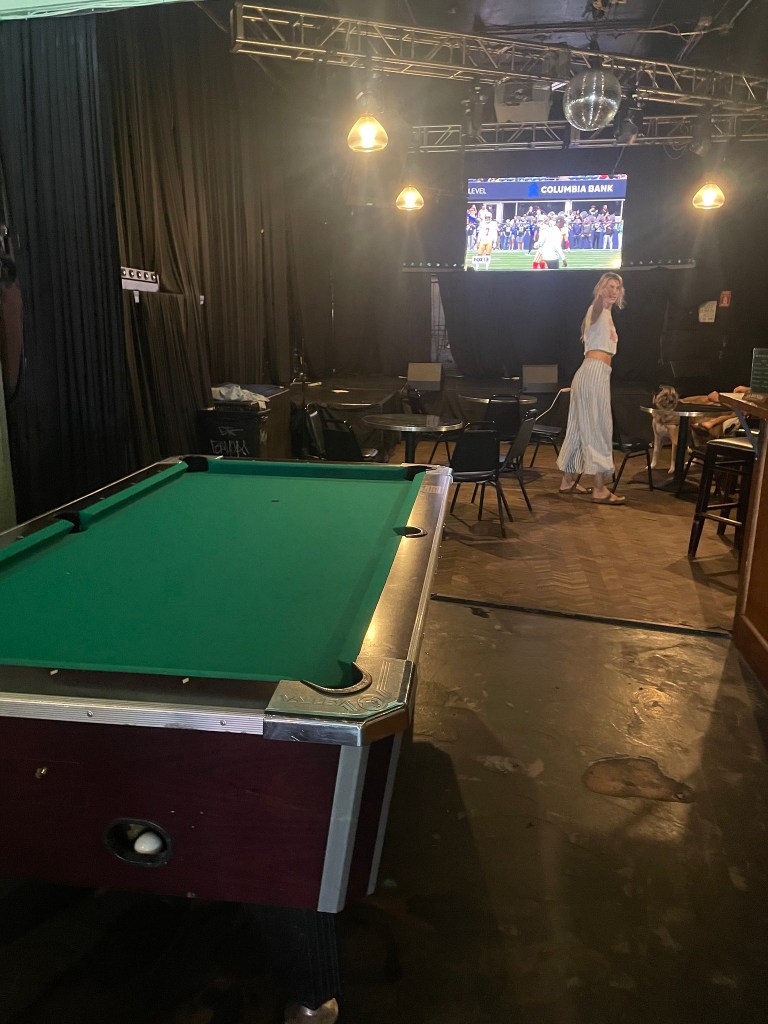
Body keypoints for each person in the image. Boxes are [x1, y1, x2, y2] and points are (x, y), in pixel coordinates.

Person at [557, 272, 626, 505]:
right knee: (600, 427)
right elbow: (597, 305)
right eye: (609, 286)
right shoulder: (596, 309)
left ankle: (567, 480)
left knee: (579, 428)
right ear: (600, 289)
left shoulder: (607, 314)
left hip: (595, 374)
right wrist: (600, 298)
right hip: (593, 373)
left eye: (617, 287)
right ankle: (599, 489)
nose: (613, 291)